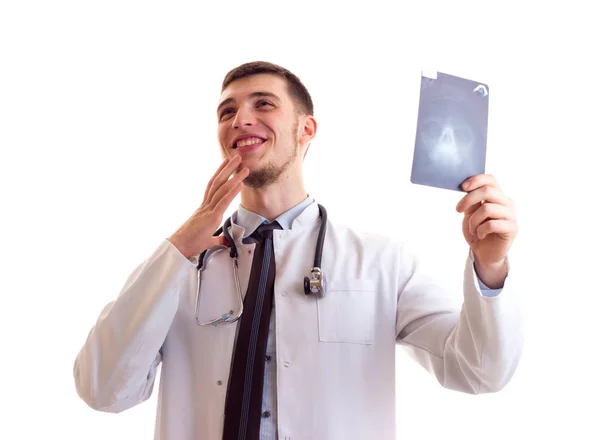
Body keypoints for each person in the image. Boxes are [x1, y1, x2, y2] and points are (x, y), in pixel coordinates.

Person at [73, 61, 523, 440]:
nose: (239, 119)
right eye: (226, 111)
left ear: (306, 129)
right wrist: (176, 249)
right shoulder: (179, 267)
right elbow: (103, 390)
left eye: (262, 104)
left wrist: (490, 264)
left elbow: (479, 372)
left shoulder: (383, 263)